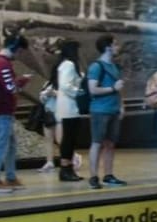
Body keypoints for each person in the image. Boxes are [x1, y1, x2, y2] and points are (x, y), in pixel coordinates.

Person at [0, 34, 30, 194]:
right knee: (1, 145)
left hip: (3, 112)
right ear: (14, 48)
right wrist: (22, 81)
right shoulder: (1, 64)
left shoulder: (0, 63)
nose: (19, 56)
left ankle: (10, 177)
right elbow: (10, 88)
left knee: (10, 145)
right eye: (19, 52)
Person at [87, 34, 127, 189]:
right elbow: (92, 89)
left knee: (110, 144)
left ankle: (108, 175)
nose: (118, 47)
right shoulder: (96, 66)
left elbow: (119, 89)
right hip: (100, 110)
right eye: (115, 44)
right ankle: (93, 176)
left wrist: (122, 105)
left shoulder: (114, 66)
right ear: (107, 47)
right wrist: (112, 88)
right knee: (97, 142)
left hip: (113, 109)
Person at [54, 39, 84, 182]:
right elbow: (65, 86)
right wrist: (79, 92)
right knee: (68, 139)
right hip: (69, 106)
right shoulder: (69, 64)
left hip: (68, 107)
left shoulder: (65, 64)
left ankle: (68, 168)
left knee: (70, 139)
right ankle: (65, 169)